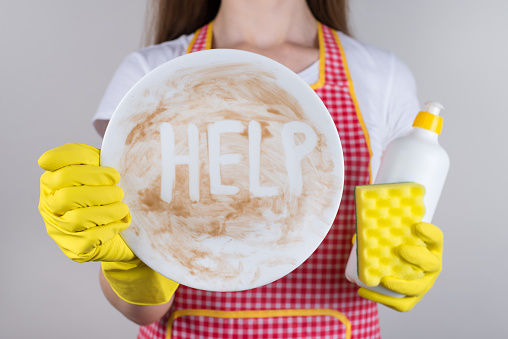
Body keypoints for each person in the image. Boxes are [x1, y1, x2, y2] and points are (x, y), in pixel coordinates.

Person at [38, 0, 444, 338]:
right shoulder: (151, 75)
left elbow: (389, 244)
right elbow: (143, 311)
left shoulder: (381, 77)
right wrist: (132, 265)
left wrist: (399, 266)